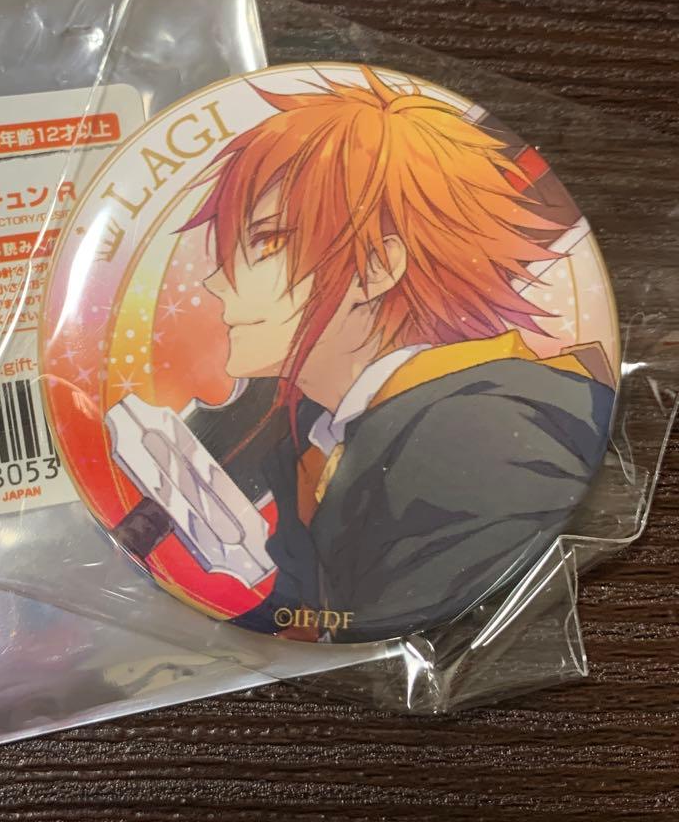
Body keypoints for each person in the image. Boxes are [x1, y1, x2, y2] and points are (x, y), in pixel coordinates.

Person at [111, 67, 615, 643]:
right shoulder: (319, 438)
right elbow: (312, 614)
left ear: (377, 266)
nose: (219, 281)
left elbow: (396, 614)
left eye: (268, 242)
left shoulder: (479, 436)